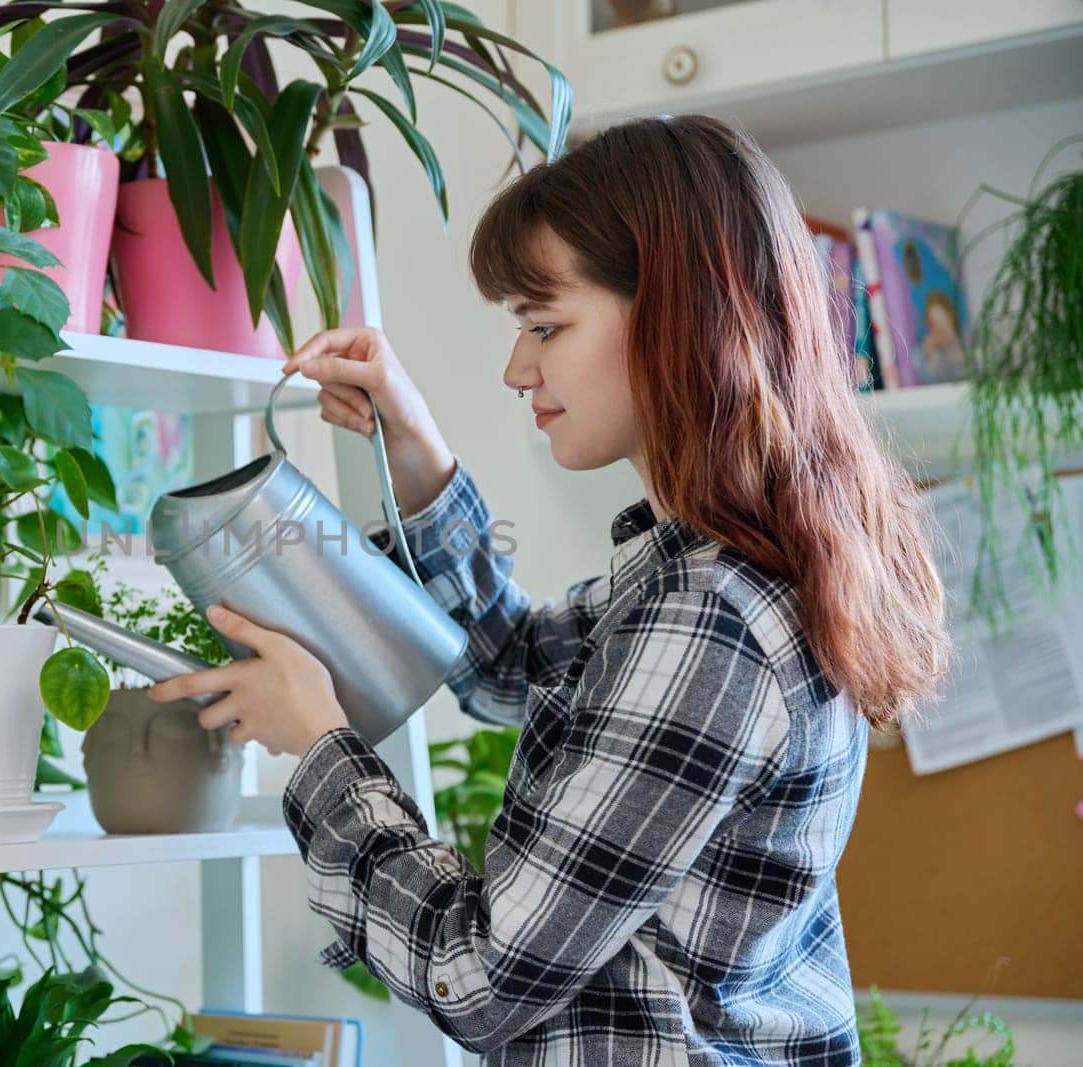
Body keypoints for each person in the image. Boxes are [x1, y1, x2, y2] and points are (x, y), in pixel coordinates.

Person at [146, 114, 951, 1064]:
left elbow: (479, 974)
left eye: (546, 325)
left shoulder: (709, 620)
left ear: (675, 313)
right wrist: (416, 455)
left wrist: (320, 745)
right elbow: (507, 669)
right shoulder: (706, 572)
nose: (516, 367)